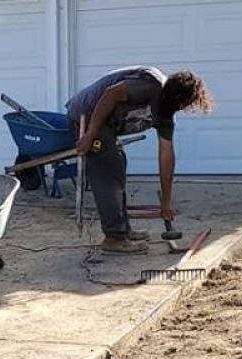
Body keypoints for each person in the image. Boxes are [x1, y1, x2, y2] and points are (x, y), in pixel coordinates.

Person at [66, 67, 213, 254]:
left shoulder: (166, 115)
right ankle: (114, 238)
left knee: (118, 166)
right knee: (108, 170)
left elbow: (166, 156)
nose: (181, 108)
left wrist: (166, 202)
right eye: (182, 103)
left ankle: (123, 229)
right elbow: (111, 94)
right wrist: (90, 135)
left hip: (107, 126)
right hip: (86, 115)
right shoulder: (150, 85)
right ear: (174, 95)